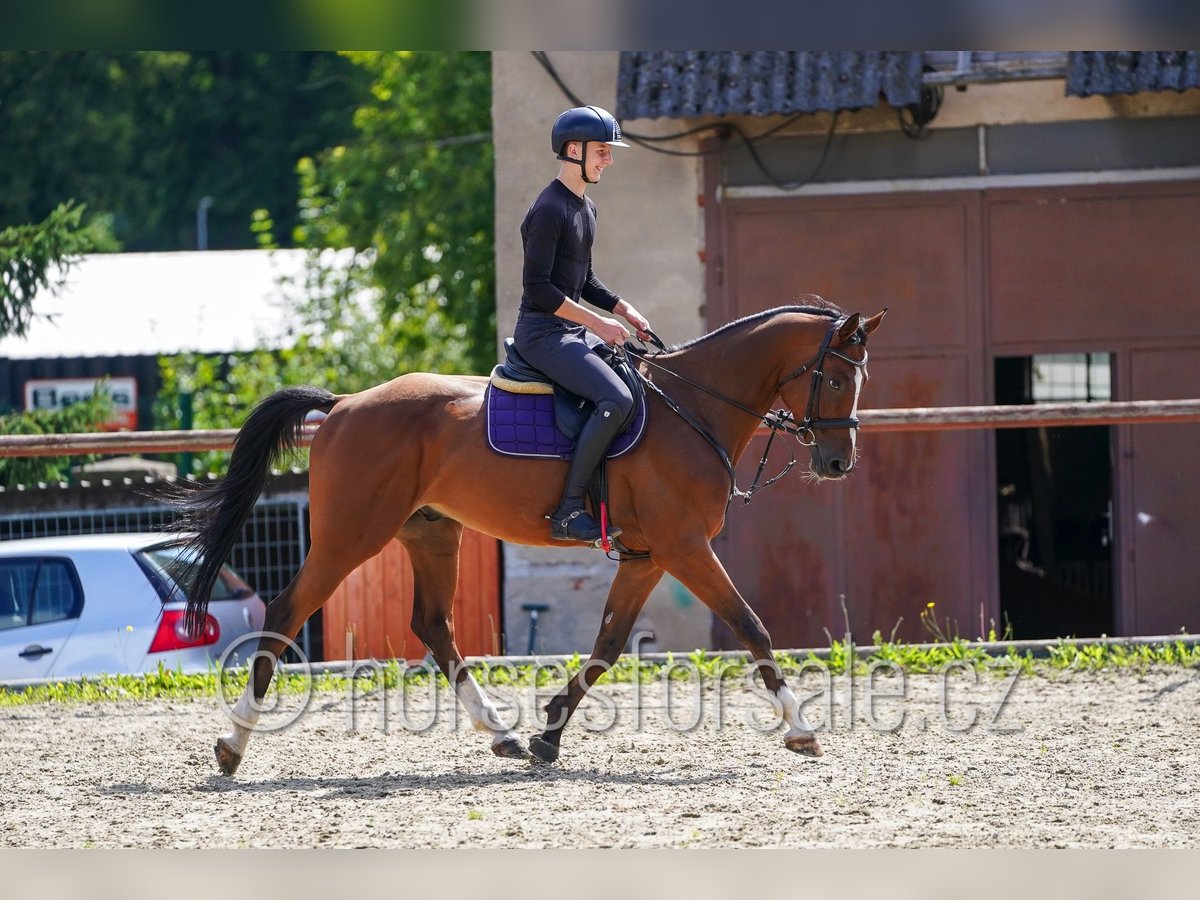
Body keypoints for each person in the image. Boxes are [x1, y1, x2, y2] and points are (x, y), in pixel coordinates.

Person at [513, 104, 653, 544]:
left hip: (569, 331)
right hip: (540, 334)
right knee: (615, 397)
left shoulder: (586, 208)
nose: (608, 159)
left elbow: (582, 279)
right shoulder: (550, 209)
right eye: (602, 151)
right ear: (574, 150)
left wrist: (622, 309)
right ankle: (570, 511)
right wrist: (598, 324)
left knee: (637, 378)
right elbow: (538, 288)